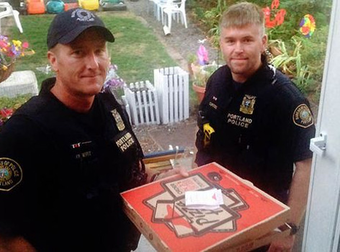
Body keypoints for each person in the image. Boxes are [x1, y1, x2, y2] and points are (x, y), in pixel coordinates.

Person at [0, 8, 188, 252]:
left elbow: (132, 169)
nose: (93, 63)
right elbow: (6, 235)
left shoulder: (108, 104)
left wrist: (158, 180)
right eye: (78, 52)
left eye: (99, 51)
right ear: (53, 60)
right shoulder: (24, 133)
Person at [195, 2, 315, 251]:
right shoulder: (217, 79)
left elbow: (305, 165)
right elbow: (206, 132)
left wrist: (288, 228)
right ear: (221, 43)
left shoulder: (285, 98)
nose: (237, 49)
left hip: (261, 218)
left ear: (263, 42)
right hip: (213, 204)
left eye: (247, 40)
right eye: (230, 41)